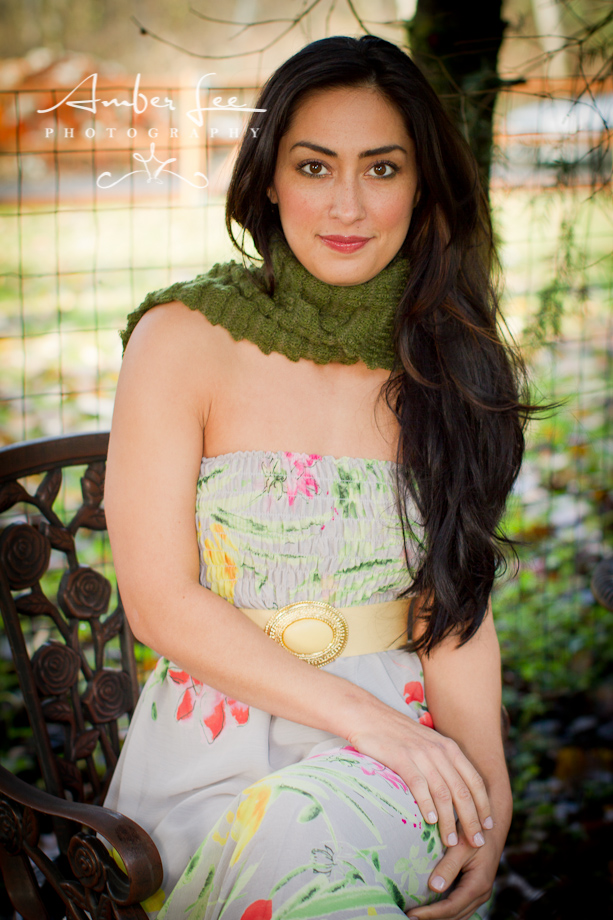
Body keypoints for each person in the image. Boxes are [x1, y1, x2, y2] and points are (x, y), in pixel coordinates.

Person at [104, 34, 530, 920]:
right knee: (292, 841)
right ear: (268, 178)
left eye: (381, 169)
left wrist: (487, 792)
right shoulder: (180, 339)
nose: (347, 205)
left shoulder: (450, 363)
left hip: (404, 762)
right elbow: (157, 602)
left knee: (320, 843)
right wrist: (364, 725)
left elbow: (455, 607)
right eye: (313, 166)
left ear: (421, 186)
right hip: (210, 751)